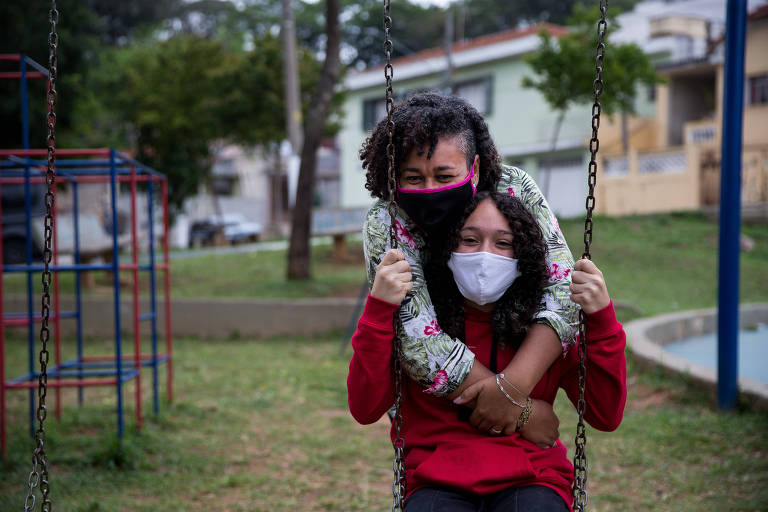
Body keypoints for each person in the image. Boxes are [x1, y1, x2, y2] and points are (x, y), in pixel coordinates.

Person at [348, 191, 627, 511]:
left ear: (524, 254)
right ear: (447, 246)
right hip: (436, 483)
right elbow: (365, 408)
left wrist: (602, 318)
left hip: (533, 479)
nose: (485, 255)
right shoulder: (419, 325)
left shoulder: (545, 326)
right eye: (469, 240)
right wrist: (379, 310)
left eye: (503, 243)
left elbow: (605, 415)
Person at [360, 92, 579, 434]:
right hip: (436, 427)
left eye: (445, 177)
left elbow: (562, 289)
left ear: (473, 169)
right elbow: (418, 339)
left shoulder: (514, 187)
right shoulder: (387, 220)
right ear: (393, 176)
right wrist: (523, 413)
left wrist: (513, 389)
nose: (430, 189)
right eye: (413, 178)